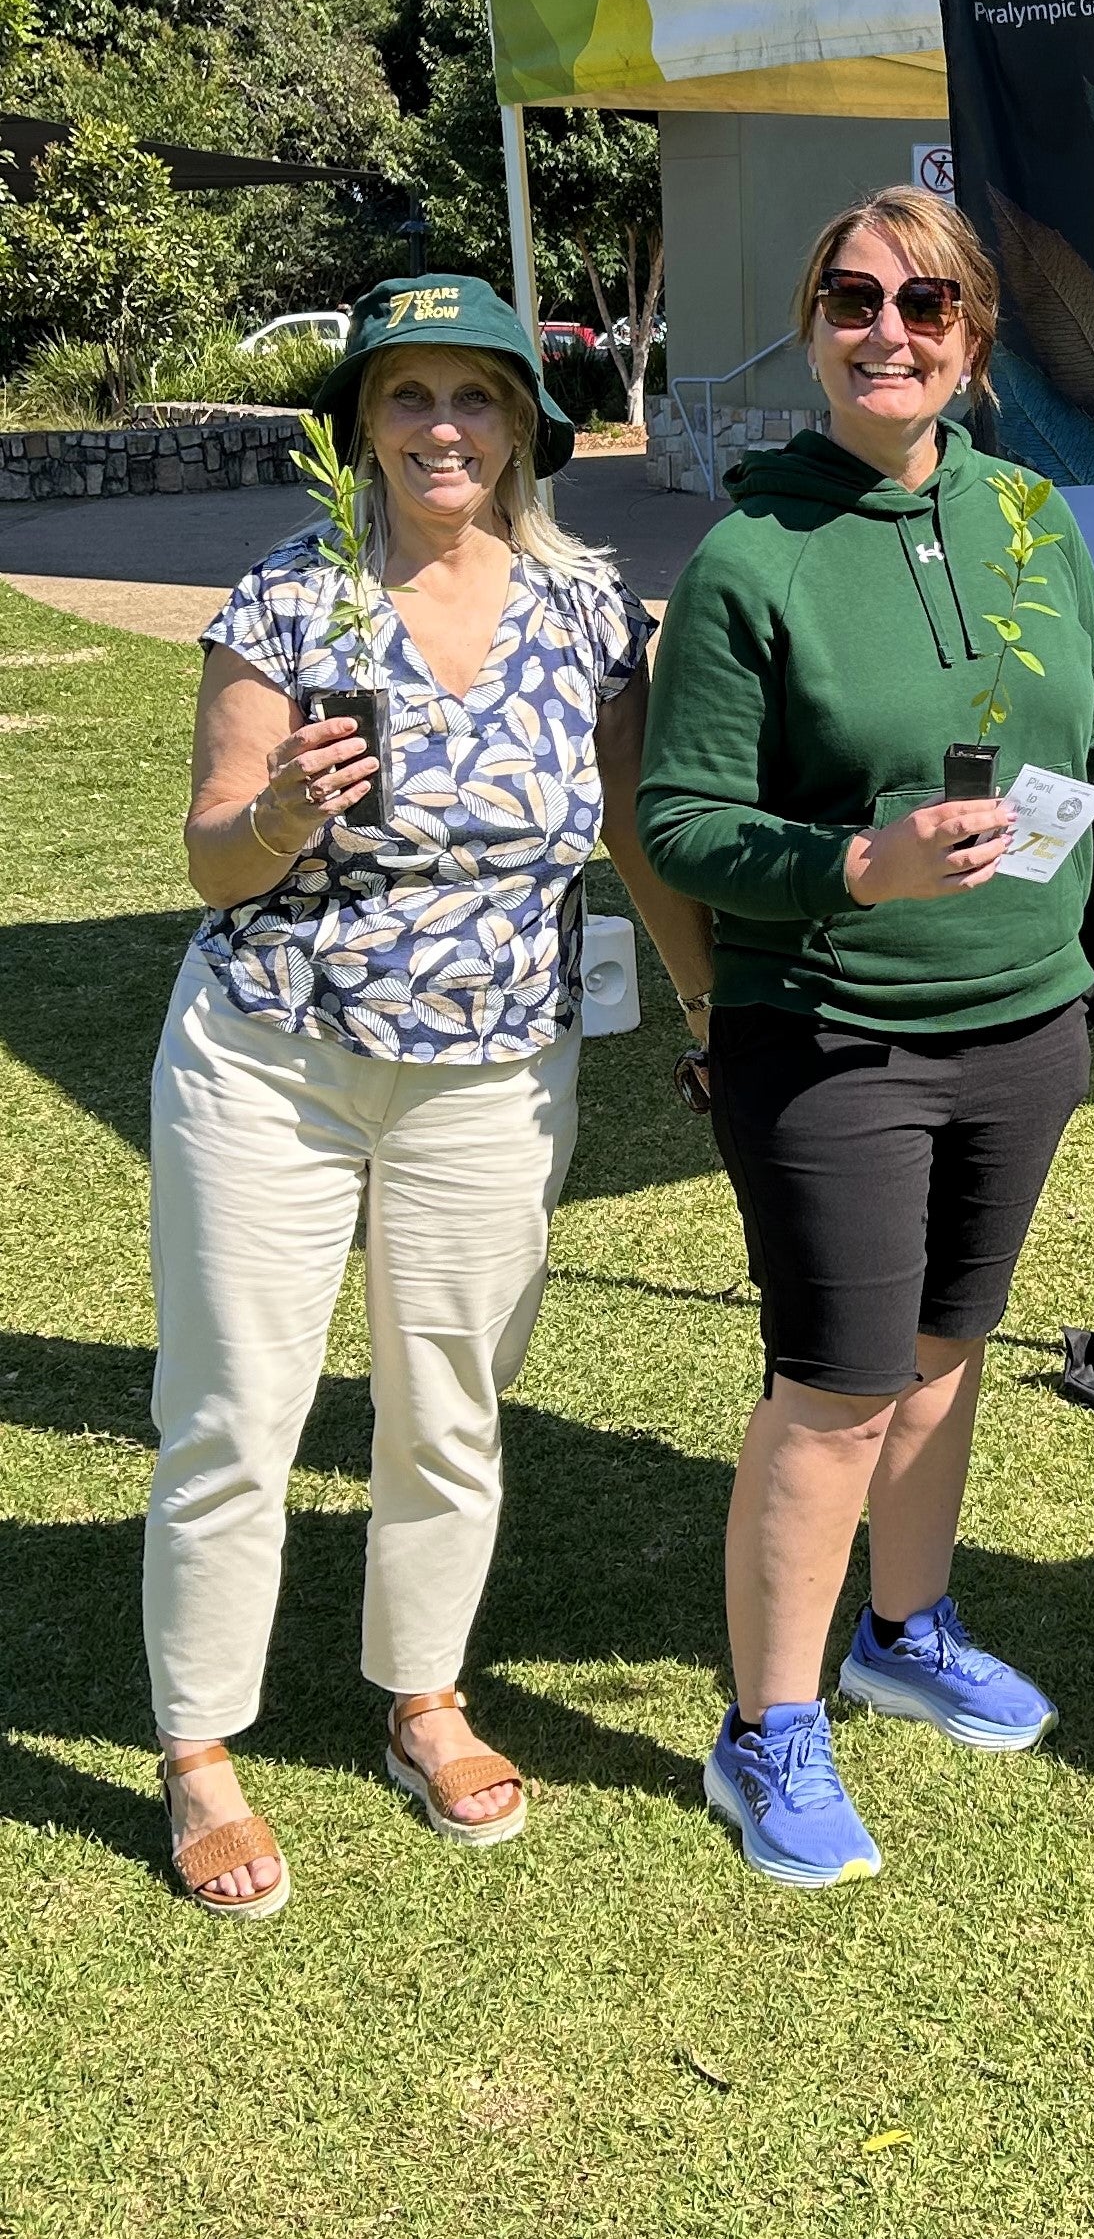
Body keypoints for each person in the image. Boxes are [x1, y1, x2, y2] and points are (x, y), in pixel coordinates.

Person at [153, 274, 711, 1917]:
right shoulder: (289, 603)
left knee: (451, 1403)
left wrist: (702, 996)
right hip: (273, 1060)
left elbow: (628, 823)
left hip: (492, 1072)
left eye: (477, 393)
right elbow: (206, 855)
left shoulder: (591, 606)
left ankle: (421, 1690)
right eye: (410, 396)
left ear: (526, 419)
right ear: (364, 424)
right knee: (236, 1412)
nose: (444, 425)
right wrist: (283, 822)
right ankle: (200, 1744)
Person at [639, 187, 1094, 1888]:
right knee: (835, 1385)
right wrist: (858, 861)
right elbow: (681, 822)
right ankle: (765, 1724)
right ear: (814, 324)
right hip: (831, 1032)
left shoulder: (1034, 520)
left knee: (941, 1349)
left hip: (1024, 1019)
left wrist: (1018, 890)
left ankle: (901, 1630)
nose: (888, 329)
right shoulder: (750, 558)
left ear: (973, 340)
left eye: (926, 303)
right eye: (853, 298)